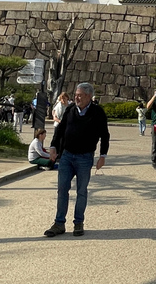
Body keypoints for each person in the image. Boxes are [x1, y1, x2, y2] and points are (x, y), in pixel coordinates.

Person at [45, 82, 109, 238]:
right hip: (67, 156)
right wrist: (53, 146)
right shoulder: (70, 110)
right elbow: (59, 130)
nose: (76, 97)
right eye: (76, 95)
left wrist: (102, 156)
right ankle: (59, 223)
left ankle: (78, 222)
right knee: (62, 190)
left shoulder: (97, 112)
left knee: (81, 191)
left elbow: (105, 135)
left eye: (79, 95)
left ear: (88, 96)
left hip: (85, 157)